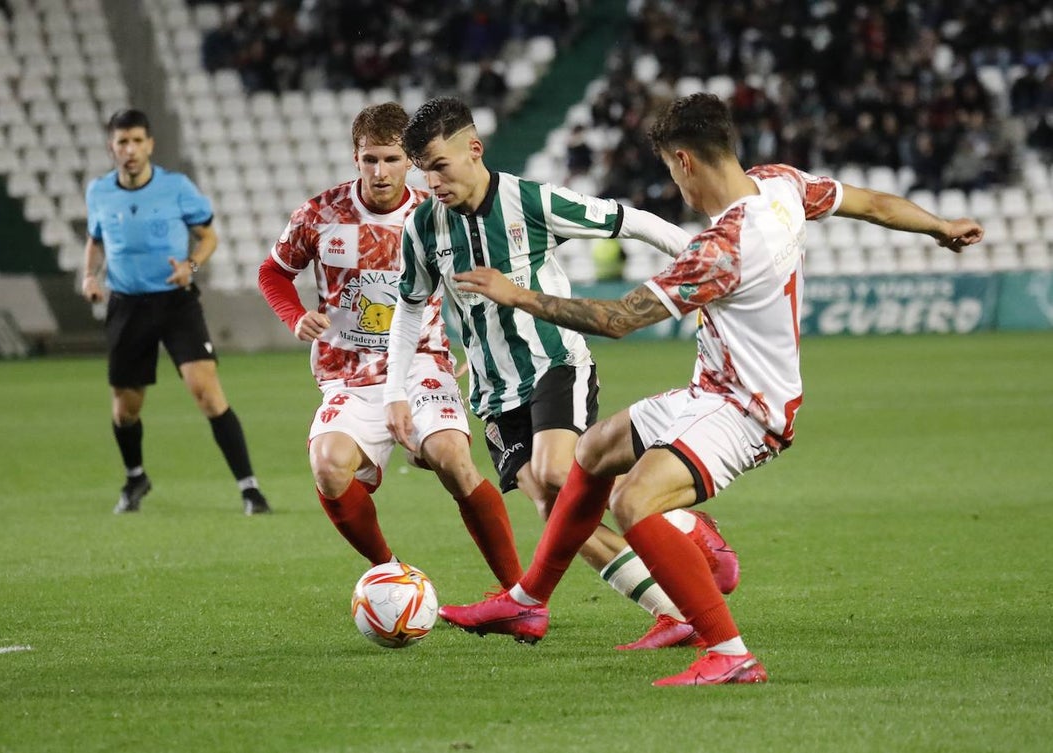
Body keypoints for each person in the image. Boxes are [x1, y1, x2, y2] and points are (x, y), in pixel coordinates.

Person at [438, 92, 985, 685]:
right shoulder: (781, 186)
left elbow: (619, 320)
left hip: (745, 410)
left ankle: (729, 652)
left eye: (671, 172)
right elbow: (872, 204)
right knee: (594, 451)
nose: (677, 187)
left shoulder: (722, 249)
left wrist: (518, 294)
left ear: (684, 161)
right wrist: (940, 227)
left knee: (633, 503)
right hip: (712, 390)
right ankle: (529, 599)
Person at [383, 96, 740, 650]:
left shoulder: (530, 201)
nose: (431, 182)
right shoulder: (424, 226)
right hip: (493, 392)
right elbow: (408, 308)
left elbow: (631, 221)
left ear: (473, 151)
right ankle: (673, 612)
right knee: (556, 509)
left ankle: (685, 525)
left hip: (556, 364)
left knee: (556, 474)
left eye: (439, 166)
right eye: (423, 170)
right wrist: (395, 394)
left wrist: (703, 260)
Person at [257, 102, 522, 588]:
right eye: (370, 160)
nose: (381, 172)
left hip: (421, 363)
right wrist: (295, 317)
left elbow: (472, 280)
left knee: (452, 458)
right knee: (329, 465)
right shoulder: (320, 214)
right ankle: (390, 573)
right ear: (355, 158)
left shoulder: (437, 211)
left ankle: (520, 593)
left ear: (412, 160)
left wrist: (471, 344)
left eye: (393, 159)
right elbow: (273, 272)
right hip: (349, 375)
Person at [82, 108, 270, 516]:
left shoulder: (176, 187)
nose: (129, 150)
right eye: (121, 142)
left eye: (136, 141)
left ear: (149, 144)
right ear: (111, 147)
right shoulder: (99, 192)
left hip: (175, 302)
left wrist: (192, 266)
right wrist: (89, 276)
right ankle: (135, 478)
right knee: (125, 409)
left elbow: (208, 236)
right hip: (126, 305)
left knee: (206, 392)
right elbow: (95, 240)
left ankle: (250, 489)